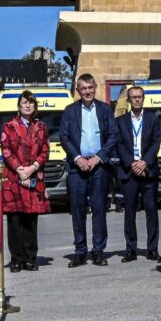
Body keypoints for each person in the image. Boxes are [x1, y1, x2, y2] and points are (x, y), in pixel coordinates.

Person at [59, 73, 117, 267]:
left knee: (99, 209)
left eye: (90, 87)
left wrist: (98, 158)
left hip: (99, 167)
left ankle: (98, 251)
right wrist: (77, 158)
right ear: (78, 90)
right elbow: (64, 136)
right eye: (83, 88)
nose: (87, 91)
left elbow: (112, 136)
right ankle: (80, 251)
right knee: (78, 210)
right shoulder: (69, 111)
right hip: (77, 167)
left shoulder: (105, 110)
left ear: (95, 88)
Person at [0, 90, 50, 272]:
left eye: (31, 103)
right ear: (19, 107)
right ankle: (16, 258)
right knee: (14, 220)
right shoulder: (9, 126)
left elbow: (45, 150)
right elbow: (6, 150)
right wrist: (20, 169)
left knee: (30, 219)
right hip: (14, 178)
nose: (28, 106)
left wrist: (32, 168)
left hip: (34, 176)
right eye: (24, 103)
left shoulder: (41, 127)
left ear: (35, 106)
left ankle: (30, 257)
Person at [115, 85, 161, 262]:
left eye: (139, 97)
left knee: (151, 210)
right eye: (133, 97)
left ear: (143, 99)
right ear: (128, 100)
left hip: (148, 171)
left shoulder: (153, 119)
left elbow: (156, 142)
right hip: (129, 172)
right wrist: (132, 163)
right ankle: (131, 249)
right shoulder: (120, 121)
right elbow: (118, 144)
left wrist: (144, 162)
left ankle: (152, 249)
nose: (136, 100)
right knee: (130, 212)